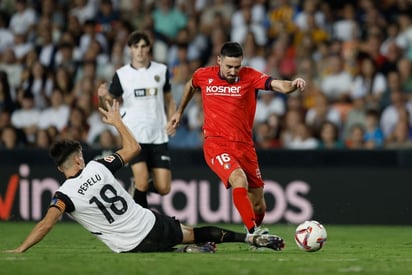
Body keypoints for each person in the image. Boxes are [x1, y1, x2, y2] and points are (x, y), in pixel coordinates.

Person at [3, 99, 284, 253]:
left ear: (59, 168)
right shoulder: (99, 166)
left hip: (130, 248)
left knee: (162, 245)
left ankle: (180, 252)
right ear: (78, 158)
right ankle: (247, 239)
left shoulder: (64, 195)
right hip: (152, 224)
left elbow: (45, 225)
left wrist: (21, 249)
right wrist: (117, 122)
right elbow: (133, 148)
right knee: (193, 232)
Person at [166, 41, 306, 236]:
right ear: (219, 61)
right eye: (229, 66)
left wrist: (292, 84)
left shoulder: (250, 76)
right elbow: (191, 84)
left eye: (237, 67)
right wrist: (179, 112)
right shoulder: (204, 75)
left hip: (244, 146)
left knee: (258, 205)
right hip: (216, 143)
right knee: (238, 179)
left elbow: (277, 85)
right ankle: (253, 233)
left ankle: (253, 226)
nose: (233, 71)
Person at [98, 31, 176, 208]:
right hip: (133, 135)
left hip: (158, 134)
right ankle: (143, 227)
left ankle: (137, 191)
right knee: (141, 181)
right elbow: (109, 103)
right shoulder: (122, 74)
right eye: (136, 47)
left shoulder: (161, 71)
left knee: (164, 188)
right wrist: (102, 96)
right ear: (130, 50)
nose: (140, 51)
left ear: (149, 48)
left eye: (143, 46)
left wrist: (173, 118)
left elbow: (169, 98)